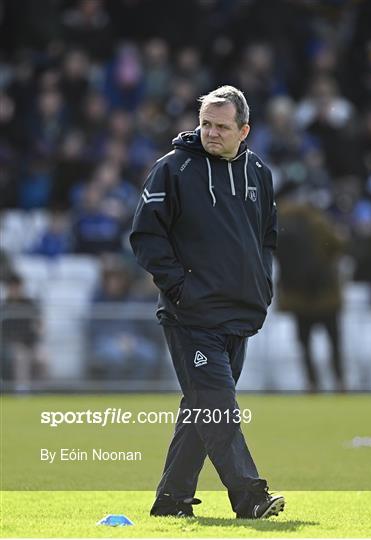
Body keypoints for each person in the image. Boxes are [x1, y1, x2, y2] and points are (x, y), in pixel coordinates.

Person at [130, 86, 284, 519]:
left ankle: (171, 500)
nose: (210, 133)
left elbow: (267, 237)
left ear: (244, 129)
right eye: (205, 124)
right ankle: (250, 496)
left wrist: (262, 285)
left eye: (221, 126)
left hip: (240, 313)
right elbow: (145, 236)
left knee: (202, 408)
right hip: (191, 315)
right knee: (219, 408)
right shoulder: (173, 169)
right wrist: (180, 288)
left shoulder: (260, 173)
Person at [276, 201, 345, 392]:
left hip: (298, 297)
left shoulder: (281, 222)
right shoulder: (318, 221)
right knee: (334, 341)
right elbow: (338, 246)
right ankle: (339, 381)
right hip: (325, 295)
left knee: (305, 344)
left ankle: (312, 382)